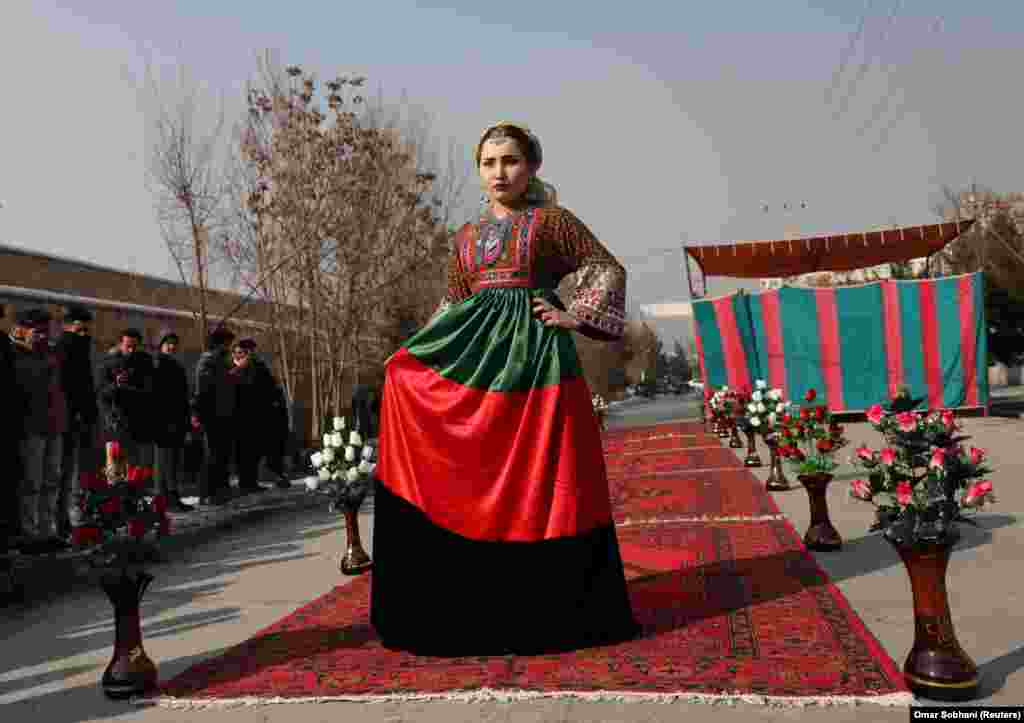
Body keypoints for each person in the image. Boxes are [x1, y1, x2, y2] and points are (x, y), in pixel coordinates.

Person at [370, 121, 639, 656]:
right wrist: (412, 356)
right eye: (489, 163)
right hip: (476, 366)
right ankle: (473, 600)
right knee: (476, 469)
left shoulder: (552, 222)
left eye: (511, 161)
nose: (500, 172)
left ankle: (553, 608)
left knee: (548, 479)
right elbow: (451, 307)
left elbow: (606, 267)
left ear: (532, 166)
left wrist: (573, 315)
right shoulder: (465, 239)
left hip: (539, 364)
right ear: (478, 171)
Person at [11, 308, 69, 552]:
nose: (43, 336)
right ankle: (29, 533)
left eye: (46, 331)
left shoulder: (52, 354)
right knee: (31, 482)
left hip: (54, 425)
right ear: (23, 329)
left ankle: (48, 530)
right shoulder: (15, 354)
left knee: (52, 480)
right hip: (31, 427)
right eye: (38, 331)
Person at [55, 304, 99, 539]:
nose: (83, 335)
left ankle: (71, 516)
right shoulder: (67, 347)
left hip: (78, 417)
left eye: (85, 330)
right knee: (65, 471)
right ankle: (64, 518)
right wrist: (80, 413)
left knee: (74, 470)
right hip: (69, 418)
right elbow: (71, 386)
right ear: (68, 326)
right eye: (78, 330)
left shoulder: (77, 347)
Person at [99, 329, 155, 474]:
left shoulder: (145, 363)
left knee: (134, 469)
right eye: (127, 346)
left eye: (134, 347)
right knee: (114, 468)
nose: (130, 350)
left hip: (137, 422)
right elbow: (101, 391)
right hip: (115, 422)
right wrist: (116, 385)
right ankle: (114, 493)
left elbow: (149, 391)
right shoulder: (109, 363)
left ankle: (132, 493)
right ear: (120, 344)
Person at [192, 327, 236, 505]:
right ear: (219, 344)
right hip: (211, 416)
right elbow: (204, 389)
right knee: (211, 455)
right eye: (227, 344)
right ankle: (207, 493)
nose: (228, 347)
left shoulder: (220, 361)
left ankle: (220, 490)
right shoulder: (207, 361)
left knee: (221, 454)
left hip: (223, 414)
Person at [151, 330, 194, 512]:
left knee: (173, 461)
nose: (172, 346)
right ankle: (164, 499)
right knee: (165, 462)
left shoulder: (174, 364)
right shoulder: (157, 364)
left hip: (176, 418)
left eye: (174, 343)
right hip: (164, 420)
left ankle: (172, 497)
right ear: (160, 344)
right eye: (168, 342)